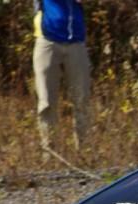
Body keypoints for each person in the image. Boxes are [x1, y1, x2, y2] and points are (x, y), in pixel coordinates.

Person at [32, 0, 91, 151]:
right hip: (47, 40)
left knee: (81, 99)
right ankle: (50, 152)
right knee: (46, 102)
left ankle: (83, 152)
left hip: (76, 41)